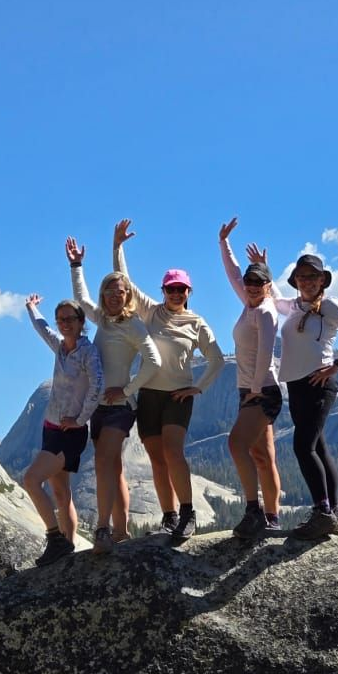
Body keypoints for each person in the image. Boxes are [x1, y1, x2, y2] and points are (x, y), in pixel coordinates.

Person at [112, 218, 225, 540]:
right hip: (148, 394)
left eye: (181, 289)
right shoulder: (151, 311)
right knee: (157, 460)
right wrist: (118, 246)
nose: (176, 293)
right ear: (163, 291)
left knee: (173, 453)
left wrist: (197, 388)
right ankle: (169, 517)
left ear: (189, 292)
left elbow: (216, 360)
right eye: (171, 288)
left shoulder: (197, 322)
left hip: (178, 396)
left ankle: (188, 514)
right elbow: (125, 282)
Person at [248, 245, 338, 539]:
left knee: (303, 447)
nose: (307, 281)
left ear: (322, 280)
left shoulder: (330, 306)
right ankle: (332, 513)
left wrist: (336, 366)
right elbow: (274, 298)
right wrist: (264, 267)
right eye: (302, 277)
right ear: (296, 281)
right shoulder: (295, 306)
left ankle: (322, 510)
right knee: (318, 448)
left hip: (319, 384)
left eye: (313, 276)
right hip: (296, 385)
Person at [66, 235, 162, 552]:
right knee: (113, 467)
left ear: (127, 295)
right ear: (104, 295)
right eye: (109, 292)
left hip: (121, 407)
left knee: (105, 462)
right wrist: (76, 265)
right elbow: (80, 298)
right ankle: (121, 531)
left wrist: (128, 389)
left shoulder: (134, 324)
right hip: (99, 407)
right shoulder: (103, 321)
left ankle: (103, 530)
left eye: (120, 292)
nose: (114, 297)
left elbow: (153, 361)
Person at [23, 294, 103, 563]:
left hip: (70, 433)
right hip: (51, 427)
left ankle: (55, 538)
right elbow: (42, 328)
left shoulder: (88, 353)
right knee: (61, 491)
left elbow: (97, 386)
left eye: (70, 319)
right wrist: (33, 308)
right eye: (61, 320)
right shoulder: (60, 348)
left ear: (81, 322)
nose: (64, 324)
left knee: (31, 480)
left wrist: (81, 420)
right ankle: (68, 545)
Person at [218, 217, 282, 538]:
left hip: (263, 390)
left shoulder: (267, 311)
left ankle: (253, 511)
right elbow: (232, 273)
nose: (253, 287)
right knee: (261, 455)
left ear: (268, 285)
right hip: (250, 390)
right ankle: (272, 518)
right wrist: (224, 243)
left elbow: (268, 351)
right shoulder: (249, 303)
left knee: (235, 444)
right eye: (250, 282)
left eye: (259, 282)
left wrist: (255, 390)